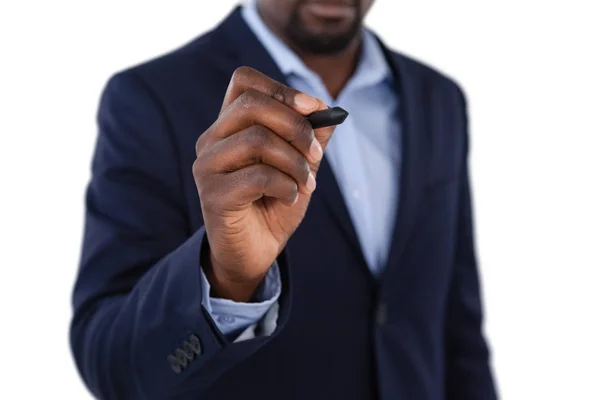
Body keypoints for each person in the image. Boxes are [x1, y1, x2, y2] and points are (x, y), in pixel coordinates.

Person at [70, 0, 498, 398]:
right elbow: (110, 363)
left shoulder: (438, 101)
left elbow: (457, 329)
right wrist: (229, 279)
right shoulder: (151, 99)